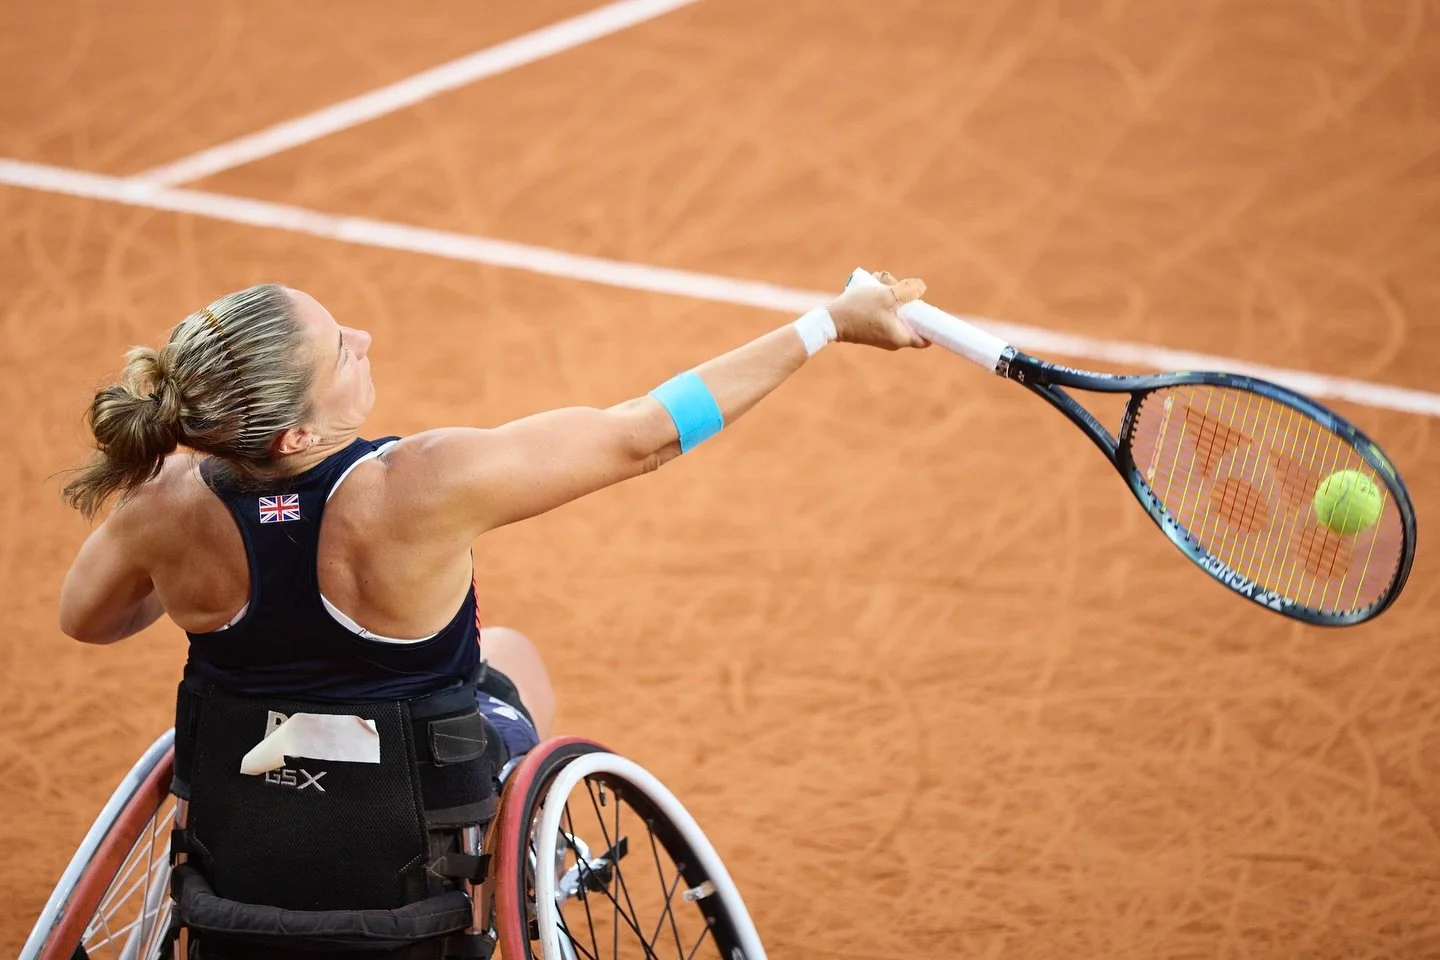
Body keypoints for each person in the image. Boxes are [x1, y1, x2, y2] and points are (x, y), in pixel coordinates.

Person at [58, 273, 929, 768]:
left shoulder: (159, 503)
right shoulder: (423, 483)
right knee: (511, 657)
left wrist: (198, 574)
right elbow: (646, 436)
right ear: (297, 433)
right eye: (337, 349)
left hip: (246, 800)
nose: (361, 333)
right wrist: (826, 326)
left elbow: (87, 620)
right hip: (414, 793)